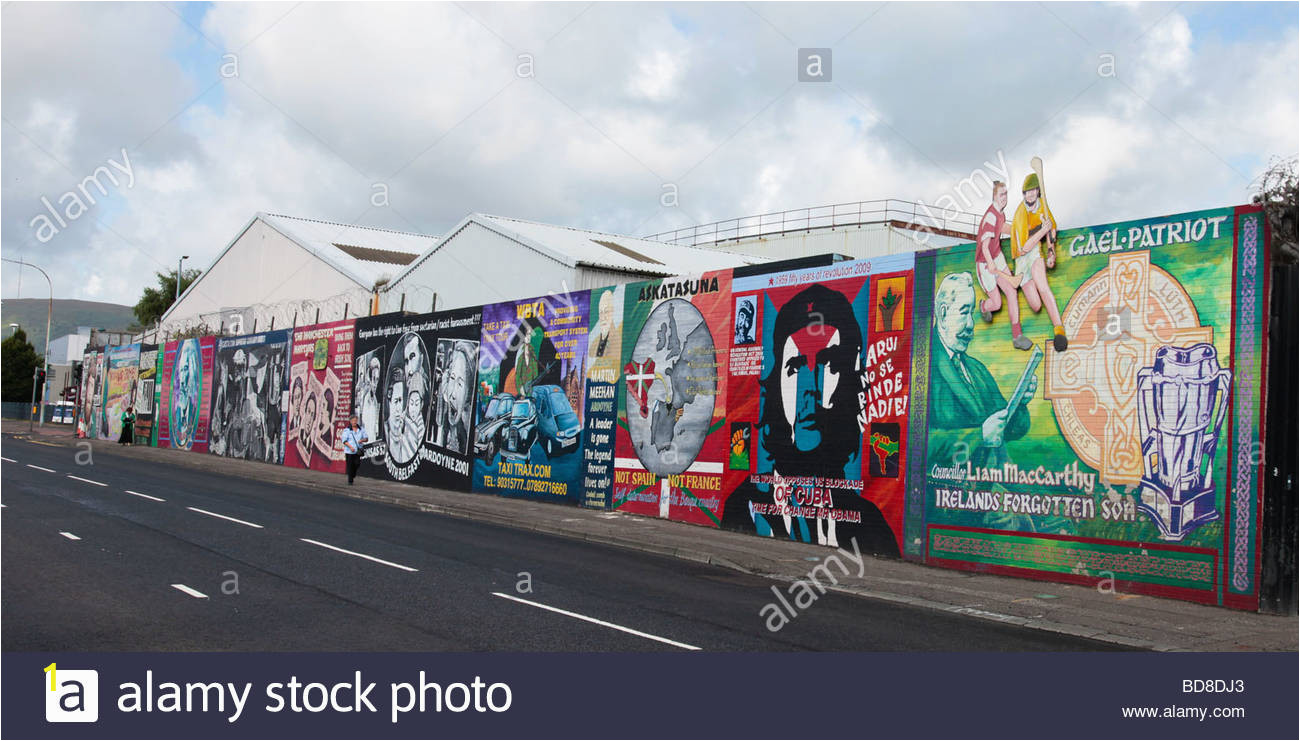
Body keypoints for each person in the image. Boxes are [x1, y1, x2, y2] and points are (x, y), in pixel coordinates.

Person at [721, 284, 899, 556]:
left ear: (852, 380)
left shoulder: (870, 525)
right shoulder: (746, 506)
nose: (810, 388)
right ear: (775, 385)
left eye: (829, 364)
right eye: (795, 366)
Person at [928, 272, 1036, 471]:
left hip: (983, 491)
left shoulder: (976, 370)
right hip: (945, 494)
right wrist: (980, 435)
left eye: (972, 314)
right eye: (963, 312)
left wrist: (1019, 404)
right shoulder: (924, 367)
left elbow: (1007, 428)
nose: (971, 325)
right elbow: (920, 443)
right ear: (943, 314)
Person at [1010, 173, 1068, 352]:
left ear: (1037, 191)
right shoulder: (1020, 213)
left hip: (1035, 253)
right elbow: (1025, 247)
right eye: (1026, 192)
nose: (1029, 195)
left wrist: (1051, 251)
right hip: (1021, 258)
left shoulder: (1043, 206)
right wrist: (1044, 231)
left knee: (1043, 286)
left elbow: (1052, 229)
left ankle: (1059, 331)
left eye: (1032, 191)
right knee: (1036, 305)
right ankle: (1034, 278)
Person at [974, 181, 1030, 349]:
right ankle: (984, 307)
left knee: (1012, 292)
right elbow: (984, 246)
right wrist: (991, 264)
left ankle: (1017, 336)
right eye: (1001, 195)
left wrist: (1019, 231)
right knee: (997, 304)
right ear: (994, 196)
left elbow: (1002, 228)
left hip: (997, 256)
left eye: (1006, 194)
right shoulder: (991, 216)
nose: (1004, 198)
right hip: (985, 263)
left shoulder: (1001, 214)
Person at [341, 415, 368, 485]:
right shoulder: (347, 430)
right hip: (349, 451)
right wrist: (350, 447)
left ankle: (353, 474)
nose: (354, 422)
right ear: (350, 422)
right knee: (350, 465)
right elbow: (344, 440)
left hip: (357, 451)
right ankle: (350, 480)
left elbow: (366, 438)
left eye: (355, 421)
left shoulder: (361, 429)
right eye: (353, 421)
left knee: (357, 464)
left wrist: (362, 440)